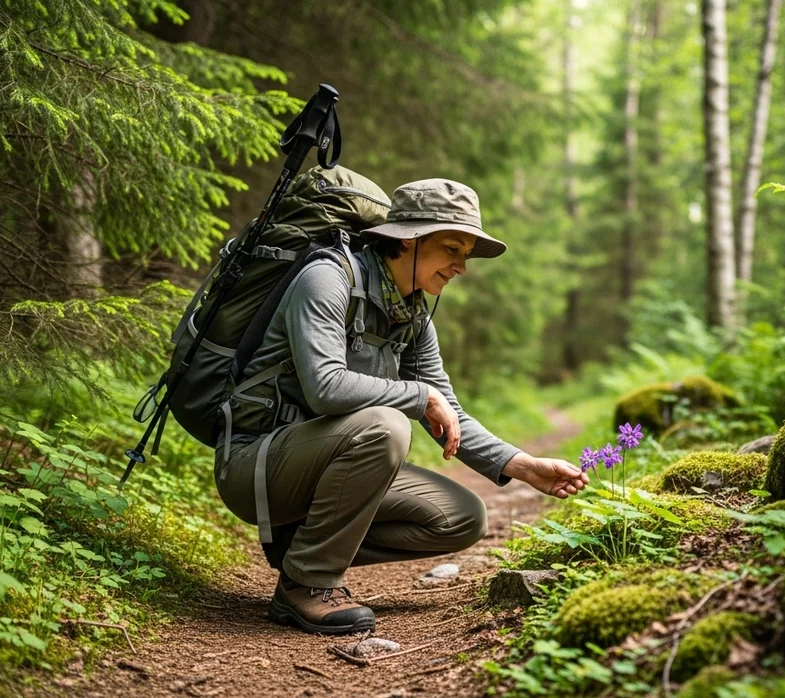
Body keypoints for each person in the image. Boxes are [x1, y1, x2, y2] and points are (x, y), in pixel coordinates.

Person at [213, 178, 588, 635]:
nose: (461, 267)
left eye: (466, 255)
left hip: (324, 467)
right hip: (256, 465)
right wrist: (418, 396)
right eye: (452, 249)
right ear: (409, 238)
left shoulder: (412, 314)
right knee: (387, 426)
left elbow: (446, 410)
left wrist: (523, 465)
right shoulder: (327, 277)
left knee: (461, 518)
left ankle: (301, 543)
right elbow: (325, 388)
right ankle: (306, 584)